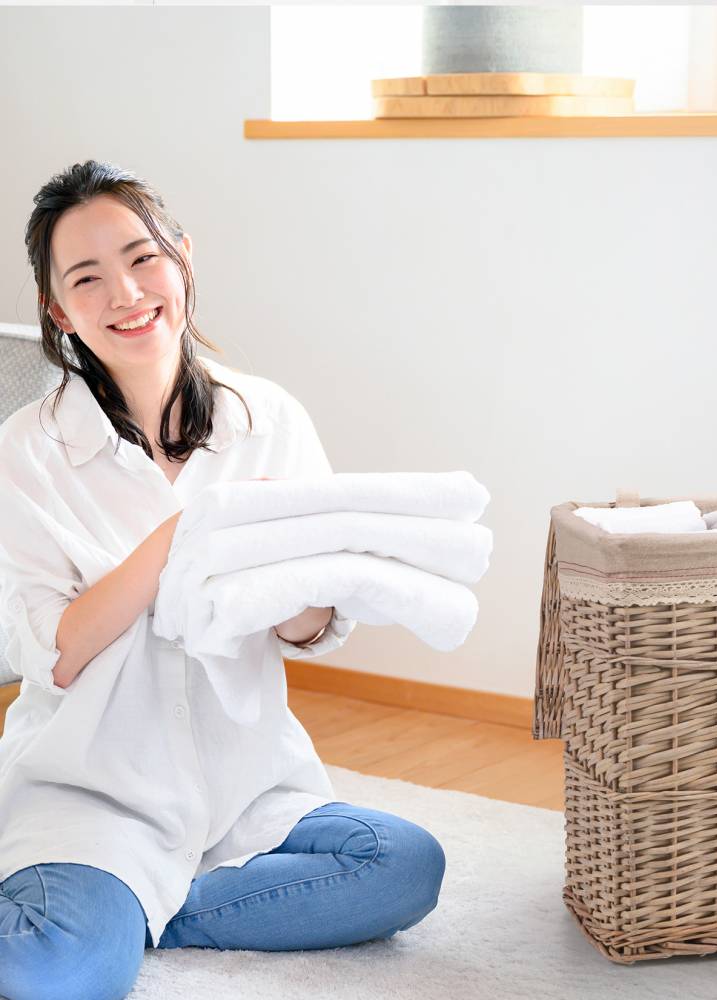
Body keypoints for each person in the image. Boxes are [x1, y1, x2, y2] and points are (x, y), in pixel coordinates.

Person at [0, 160, 445, 1000]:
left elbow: (309, 626)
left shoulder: (267, 417)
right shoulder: (26, 449)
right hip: (95, 798)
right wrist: (186, 532)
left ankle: (136, 917)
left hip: (246, 788)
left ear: (182, 259)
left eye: (142, 259)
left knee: (404, 866)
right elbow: (53, 653)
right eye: (87, 278)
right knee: (49, 972)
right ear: (60, 311)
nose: (126, 293)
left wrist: (295, 573)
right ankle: (92, 912)